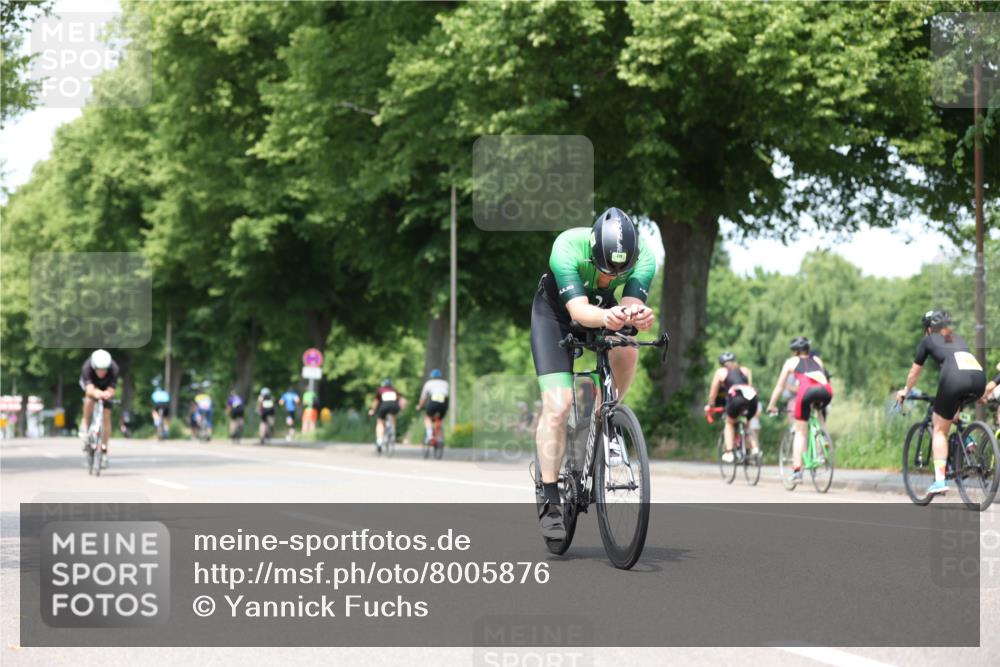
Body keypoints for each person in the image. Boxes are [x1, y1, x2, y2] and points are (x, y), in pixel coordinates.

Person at [530, 207, 656, 539]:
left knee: (628, 345)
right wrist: (611, 317)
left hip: (602, 310)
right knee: (558, 406)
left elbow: (629, 306)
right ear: (592, 249)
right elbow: (578, 310)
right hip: (556, 315)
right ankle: (549, 496)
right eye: (603, 270)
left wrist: (638, 315)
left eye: (617, 273)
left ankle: (606, 415)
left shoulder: (645, 258)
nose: (607, 278)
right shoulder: (567, 246)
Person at [895, 310, 987, 496]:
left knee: (939, 429)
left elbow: (914, 373)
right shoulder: (958, 339)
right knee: (951, 413)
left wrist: (906, 390)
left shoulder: (928, 340)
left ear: (929, 328)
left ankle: (939, 481)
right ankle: (966, 439)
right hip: (978, 380)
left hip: (954, 380)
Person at [766, 336, 833, 483]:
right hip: (826, 392)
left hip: (806, 392)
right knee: (816, 413)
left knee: (800, 432)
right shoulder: (817, 360)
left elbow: (780, 386)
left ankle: (797, 472)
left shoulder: (791, 362)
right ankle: (821, 438)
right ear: (808, 349)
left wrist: (772, 405)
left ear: (794, 351)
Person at [705, 351, 760, 461]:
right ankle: (755, 448)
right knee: (747, 424)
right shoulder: (745, 370)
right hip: (752, 399)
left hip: (736, 398)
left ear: (722, 364)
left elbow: (713, 392)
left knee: (729, 423)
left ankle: (729, 452)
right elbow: (748, 385)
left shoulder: (721, 372)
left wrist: (710, 405)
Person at [79, 349, 119, 467]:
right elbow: (89, 389)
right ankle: (86, 424)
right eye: (99, 370)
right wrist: (96, 393)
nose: (102, 373)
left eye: (104, 370)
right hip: (92, 385)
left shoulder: (114, 369)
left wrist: (108, 394)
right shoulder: (87, 368)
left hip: (106, 387)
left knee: (106, 417)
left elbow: (112, 388)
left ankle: (104, 449)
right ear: (94, 367)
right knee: (89, 400)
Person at [368, 378, 405, 454]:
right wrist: (402, 409)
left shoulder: (380, 390)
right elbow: (401, 400)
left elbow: (376, 401)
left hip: (384, 407)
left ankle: (379, 441)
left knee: (380, 422)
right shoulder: (394, 390)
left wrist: (372, 410)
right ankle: (392, 430)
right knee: (393, 416)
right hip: (394, 407)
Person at [416, 369, 449, 445]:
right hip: (444, 403)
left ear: (431, 376)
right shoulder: (445, 383)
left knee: (427, 417)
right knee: (439, 419)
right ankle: (440, 438)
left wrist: (419, 406)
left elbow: (423, 398)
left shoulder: (429, 383)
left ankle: (430, 435)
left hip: (433, 403)